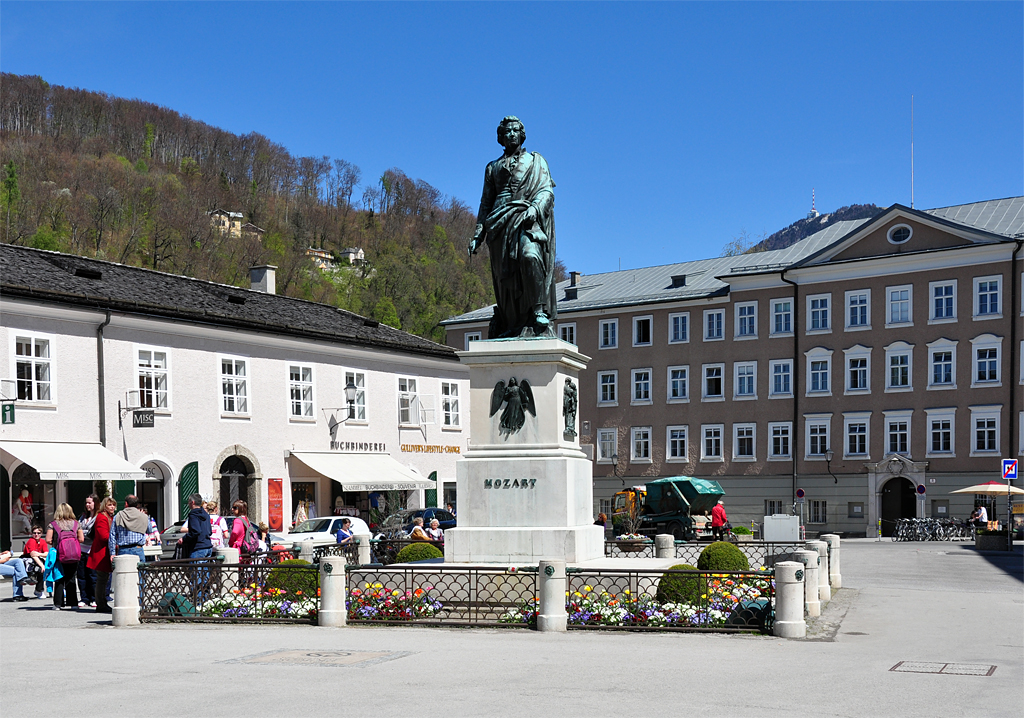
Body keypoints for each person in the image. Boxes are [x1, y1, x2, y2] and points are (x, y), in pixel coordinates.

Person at [468, 116, 558, 338]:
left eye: (515, 130)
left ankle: (538, 309)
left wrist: (535, 209)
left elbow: (547, 191)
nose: (510, 134)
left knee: (530, 255)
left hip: (526, 217)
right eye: (506, 131)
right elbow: (485, 202)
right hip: (499, 224)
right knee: (505, 280)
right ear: (500, 137)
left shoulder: (536, 161)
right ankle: (512, 321)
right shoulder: (492, 167)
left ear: (522, 134)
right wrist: (479, 233)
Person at [47, 503, 83, 610]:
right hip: (73, 555)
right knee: (71, 578)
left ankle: (58, 603)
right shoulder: (76, 524)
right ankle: (73, 603)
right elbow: (81, 539)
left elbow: (48, 540)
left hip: (59, 555)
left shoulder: (53, 524)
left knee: (59, 578)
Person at [86, 497, 116, 613]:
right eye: (109, 505)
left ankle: (102, 601)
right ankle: (101, 603)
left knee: (104, 578)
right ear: (105, 506)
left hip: (105, 551)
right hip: (101, 552)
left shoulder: (109, 517)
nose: (112, 507)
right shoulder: (102, 517)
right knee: (102, 579)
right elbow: (104, 536)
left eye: (113, 505)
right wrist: (117, 541)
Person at [109, 495, 148, 564]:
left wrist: (112, 553)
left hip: (123, 550)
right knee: (139, 573)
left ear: (126, 503)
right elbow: (150, 529)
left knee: (124, 573)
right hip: (138, 549)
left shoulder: (118, 516)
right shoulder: (144, 516)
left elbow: (112, 536)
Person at [76, 494, 99, 607]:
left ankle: (94, 597)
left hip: (92, 549)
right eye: (86, 503)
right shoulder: (83, 517)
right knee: (82, 575)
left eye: (90, 502)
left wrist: (82, 534)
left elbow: (93, 533)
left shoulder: (98, 517)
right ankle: (84, 598)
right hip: (81, 549)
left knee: (92, 575)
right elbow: (78, 529)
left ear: (95, 503)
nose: (87, 505)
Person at [178, 493, 212, 558]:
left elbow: (196, 531)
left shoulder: (193, 515)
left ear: (192, 502)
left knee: (195, 567)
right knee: (205, 568)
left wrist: (184, 539)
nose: (188, 504)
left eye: (189, 502)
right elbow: (210, 531)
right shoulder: (206, 515)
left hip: (198, 548)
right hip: (208, 546)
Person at [22, 525, 48, 597]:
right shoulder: (31, 541)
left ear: (41, 533)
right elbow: (33, 555)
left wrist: (39, 554)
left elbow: (46, 553)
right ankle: (39, 590)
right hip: (28, 560)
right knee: (40, 570)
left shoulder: (42, 541)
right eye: (34, 533)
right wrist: (42, 566)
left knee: (47, 568)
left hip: (37, 559)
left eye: (38, 533)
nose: (36, 535)